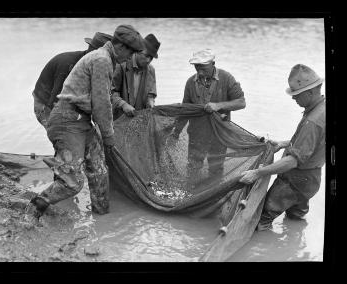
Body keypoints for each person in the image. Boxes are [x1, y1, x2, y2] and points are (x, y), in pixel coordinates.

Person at [25, 25, 144, 222]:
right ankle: (34, 208)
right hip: (67, 121)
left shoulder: (106, 59)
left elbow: (100, 101)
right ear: (121, 47)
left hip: (82, 121)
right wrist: (108, 135)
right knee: (73, 183)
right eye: (131, 52)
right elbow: (101, 103)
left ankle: (102, 219)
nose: (130, 58)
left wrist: (104, 133)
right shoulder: (101, 60)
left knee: (99, 171)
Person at [239, 64, 325, 231]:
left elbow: (292, 161)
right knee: (295, 219)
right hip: (312, 180)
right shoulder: (322, 108)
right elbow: (313, 143)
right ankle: (295, 249)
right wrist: (283, 143)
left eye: (296, 95)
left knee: (258, 221)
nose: (293, 98)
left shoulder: (312, 121)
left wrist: (257, 173)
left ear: (310, 92)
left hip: (294, 181)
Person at [170, 48, 246, 181]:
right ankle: (192, 195)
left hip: (219, 134)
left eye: (203, 67)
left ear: (213, 64)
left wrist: (218, 106)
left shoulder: (227, 78)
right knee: (193, 167)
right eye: (196, 67)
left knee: (216, 169)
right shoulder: (190, 82)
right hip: (197, 134)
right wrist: (176, 132)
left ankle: (214, 195)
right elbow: (185, 110)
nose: (199, 71)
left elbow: (241, 103)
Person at [32, 32, 113, 129]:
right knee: (63, 135)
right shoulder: (68, 65)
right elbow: (55, 101)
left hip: (68, 104)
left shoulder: (93, 67)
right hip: (45, 104)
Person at [110, 34, 161, 120]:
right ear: (138, 51)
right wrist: (123, 104)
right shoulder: (121, 65)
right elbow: (110, 92)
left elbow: (151, 94)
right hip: (118, 119)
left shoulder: (151, 70)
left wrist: (151, 102)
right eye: (146, 56)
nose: (148, 60)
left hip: (139, 120)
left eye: (151, 58)